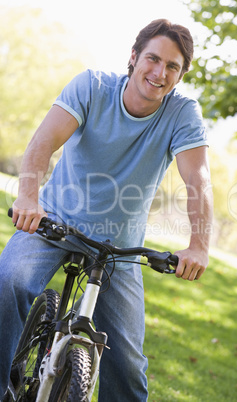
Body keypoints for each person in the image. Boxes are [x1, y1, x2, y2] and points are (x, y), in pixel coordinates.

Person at [0, 18, 213, 401]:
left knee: (128, 365)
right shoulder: (92, 86)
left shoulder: (182, 114)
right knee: (11, 281)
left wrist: (198, 245)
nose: (159, 72)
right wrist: (28, 198)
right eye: (153, 59)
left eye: (172, 67)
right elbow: (43, 142)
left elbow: (197, 180)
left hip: (119, 247)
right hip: (54, 222)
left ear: (180, 76)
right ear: (133, 57)